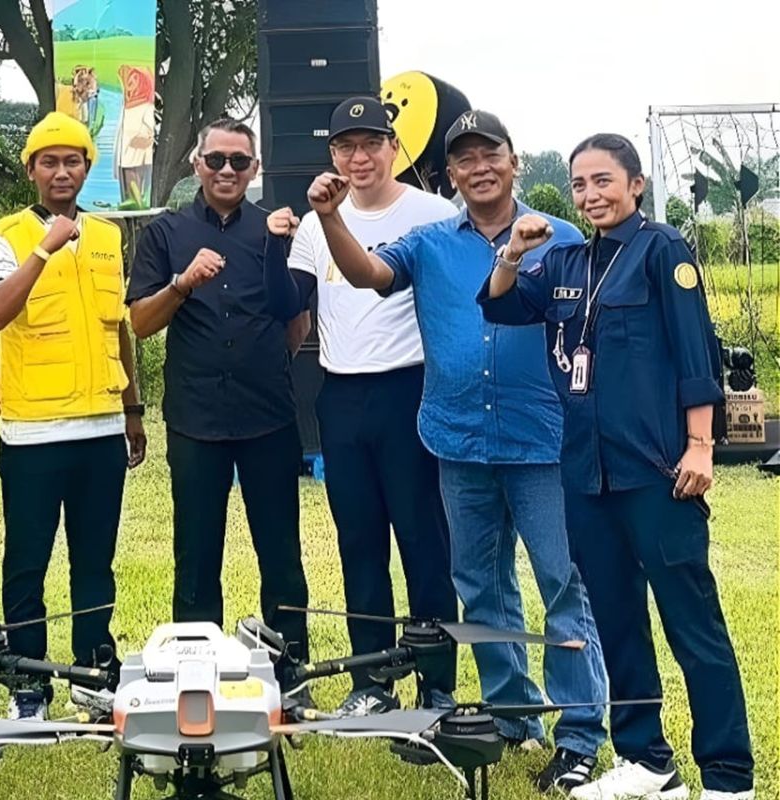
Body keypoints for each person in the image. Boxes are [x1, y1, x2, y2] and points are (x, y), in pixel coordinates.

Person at [308, 109, 609, 793]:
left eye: (490, 154)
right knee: (481, 587)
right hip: (458, 440)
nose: (479, 168)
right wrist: (330, 217)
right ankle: (511, 715)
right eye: (464, 159)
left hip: (541, 442)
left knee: (563, 584)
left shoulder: (560, 238)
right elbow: (366, 275)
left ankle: (581, 735)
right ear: (450, 174)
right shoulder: (430, 242)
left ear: (513, 159)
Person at [480, 133, 754, 800]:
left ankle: (727, 776)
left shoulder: (664, 253)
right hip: (587, 474)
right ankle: (647, 761)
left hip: (657, 470)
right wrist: (513, 250)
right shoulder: (565, 260)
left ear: (634, 184)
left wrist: (701, 445)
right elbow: (500, 302)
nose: (590, 194)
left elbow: (697, 358)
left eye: (603, 180)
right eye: (579, 184)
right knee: (617, 619)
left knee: (691, 621)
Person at [277, 96, 458, 715]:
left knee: (423, 541)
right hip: (341, 393)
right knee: (359, 542)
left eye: (372, 144)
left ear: (393, 147)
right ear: (332, 155)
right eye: (346, 147)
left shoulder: (433, 213)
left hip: (408, 388)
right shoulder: (312, 223)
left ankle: (436, 678)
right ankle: (372, 679)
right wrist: (268, 244)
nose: (360, 158)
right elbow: (289, 305)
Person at [0, 112, 146, 721]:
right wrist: (45, 250)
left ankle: (94, 673)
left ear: (86, 171)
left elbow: (119, 330)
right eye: (49, 162)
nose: (61, 171)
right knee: (27, 564)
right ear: (31, 170)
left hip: (102, 429)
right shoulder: (5, 237)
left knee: (94, 561)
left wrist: (132, 409)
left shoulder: (106, 237)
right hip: (32, 436)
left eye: (72, 162)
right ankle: (30, 685)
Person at [126, 118, 311, 674]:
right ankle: (196, 672)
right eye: (216, 160)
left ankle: (289, 668)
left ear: (255, 169)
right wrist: (181, 284)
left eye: (239, 161)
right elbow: (140, 323)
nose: (227, 170)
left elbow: (296, 322)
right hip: (195, 417)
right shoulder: (165, 233)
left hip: (268, 416)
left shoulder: (275, 230)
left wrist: (266, 360)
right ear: (196, 164)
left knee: (280, 550)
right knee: (196, 553)